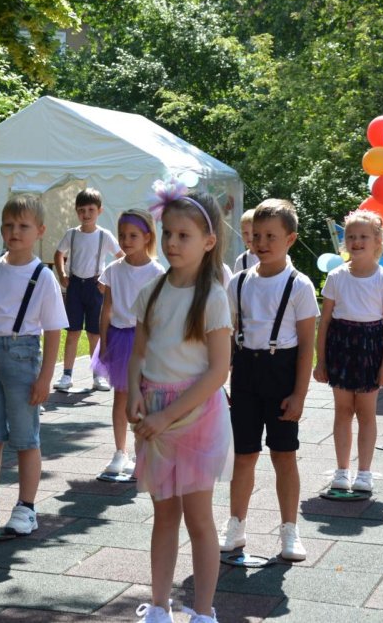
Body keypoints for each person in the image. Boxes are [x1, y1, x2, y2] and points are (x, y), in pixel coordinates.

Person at [128, 183, 232, 623]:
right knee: (164, 514)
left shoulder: (212, 297)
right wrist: (134, 392)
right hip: (154, 411)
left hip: (195, 415)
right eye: (168, 233)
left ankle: (203, 611)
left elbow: (218, 371)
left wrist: (167, 415)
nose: (172, 242)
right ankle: (159, 605)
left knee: (198, 517)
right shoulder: (152, 291)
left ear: (208, 242)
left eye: (183, 235)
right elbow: (138, 353)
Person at [0, 194, 68, 535]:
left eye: (23, 226)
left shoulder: (43, 276)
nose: (14, 232)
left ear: (40, 231)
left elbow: (53, 330)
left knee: (25, 436)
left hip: (22, 357)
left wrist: (46, 377)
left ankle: (26, 507)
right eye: (8, 225)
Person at [222, 199, 318, 562]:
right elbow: (228, 335)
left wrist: (299, 394)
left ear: (290, 239)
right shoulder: (239, 282)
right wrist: (221, 381)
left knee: (283, 454)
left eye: (270, 236)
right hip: (246, 372)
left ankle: (289, 530)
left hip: (282, 374)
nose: (261, 243)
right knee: (244, 455)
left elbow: (307, 346)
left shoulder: (299, 285)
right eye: (256, 236)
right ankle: (236, 525)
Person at [313, 210, 383, 493]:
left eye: (363, 236)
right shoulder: (336, 276)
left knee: (366, 412)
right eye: (351, 236)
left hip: (370, 348)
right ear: (344, 241)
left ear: (377, 241)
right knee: (343, 410)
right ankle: (341, 470)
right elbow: (325, 322)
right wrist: (321, 361)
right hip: (341, 346)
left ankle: (364, 472)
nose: (356, 241)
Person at [90, 208, 163, 476]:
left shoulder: (156, 272)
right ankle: (120, 451)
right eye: (122, 235)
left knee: (145, 397)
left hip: (145, 340)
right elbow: (107, 308)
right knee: (121, 397)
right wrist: (104, 341)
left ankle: (142, 451)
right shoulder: (113, 270)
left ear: (147, 237)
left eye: (133, 235)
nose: (126, 240)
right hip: (119, 339)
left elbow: (158, 313)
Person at [53, 188, 122, 392]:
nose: (86, 214)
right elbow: (59, 254)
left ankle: (97, 376)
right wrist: (62, 274)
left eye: (91, 210)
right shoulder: (72, 234)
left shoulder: (104, 235)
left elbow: (122, 258)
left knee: (94, 334)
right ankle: (67, 375)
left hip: (95, 287)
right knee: (72, 332)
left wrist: (106, 280)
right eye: (81, 210)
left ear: (99, 211)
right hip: (75, 286)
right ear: (76, 211)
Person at [232, 208, 258, 273]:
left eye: (253, 233)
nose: (249, 237)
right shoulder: (241, 261)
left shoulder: (269, 257)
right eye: (245, 233)